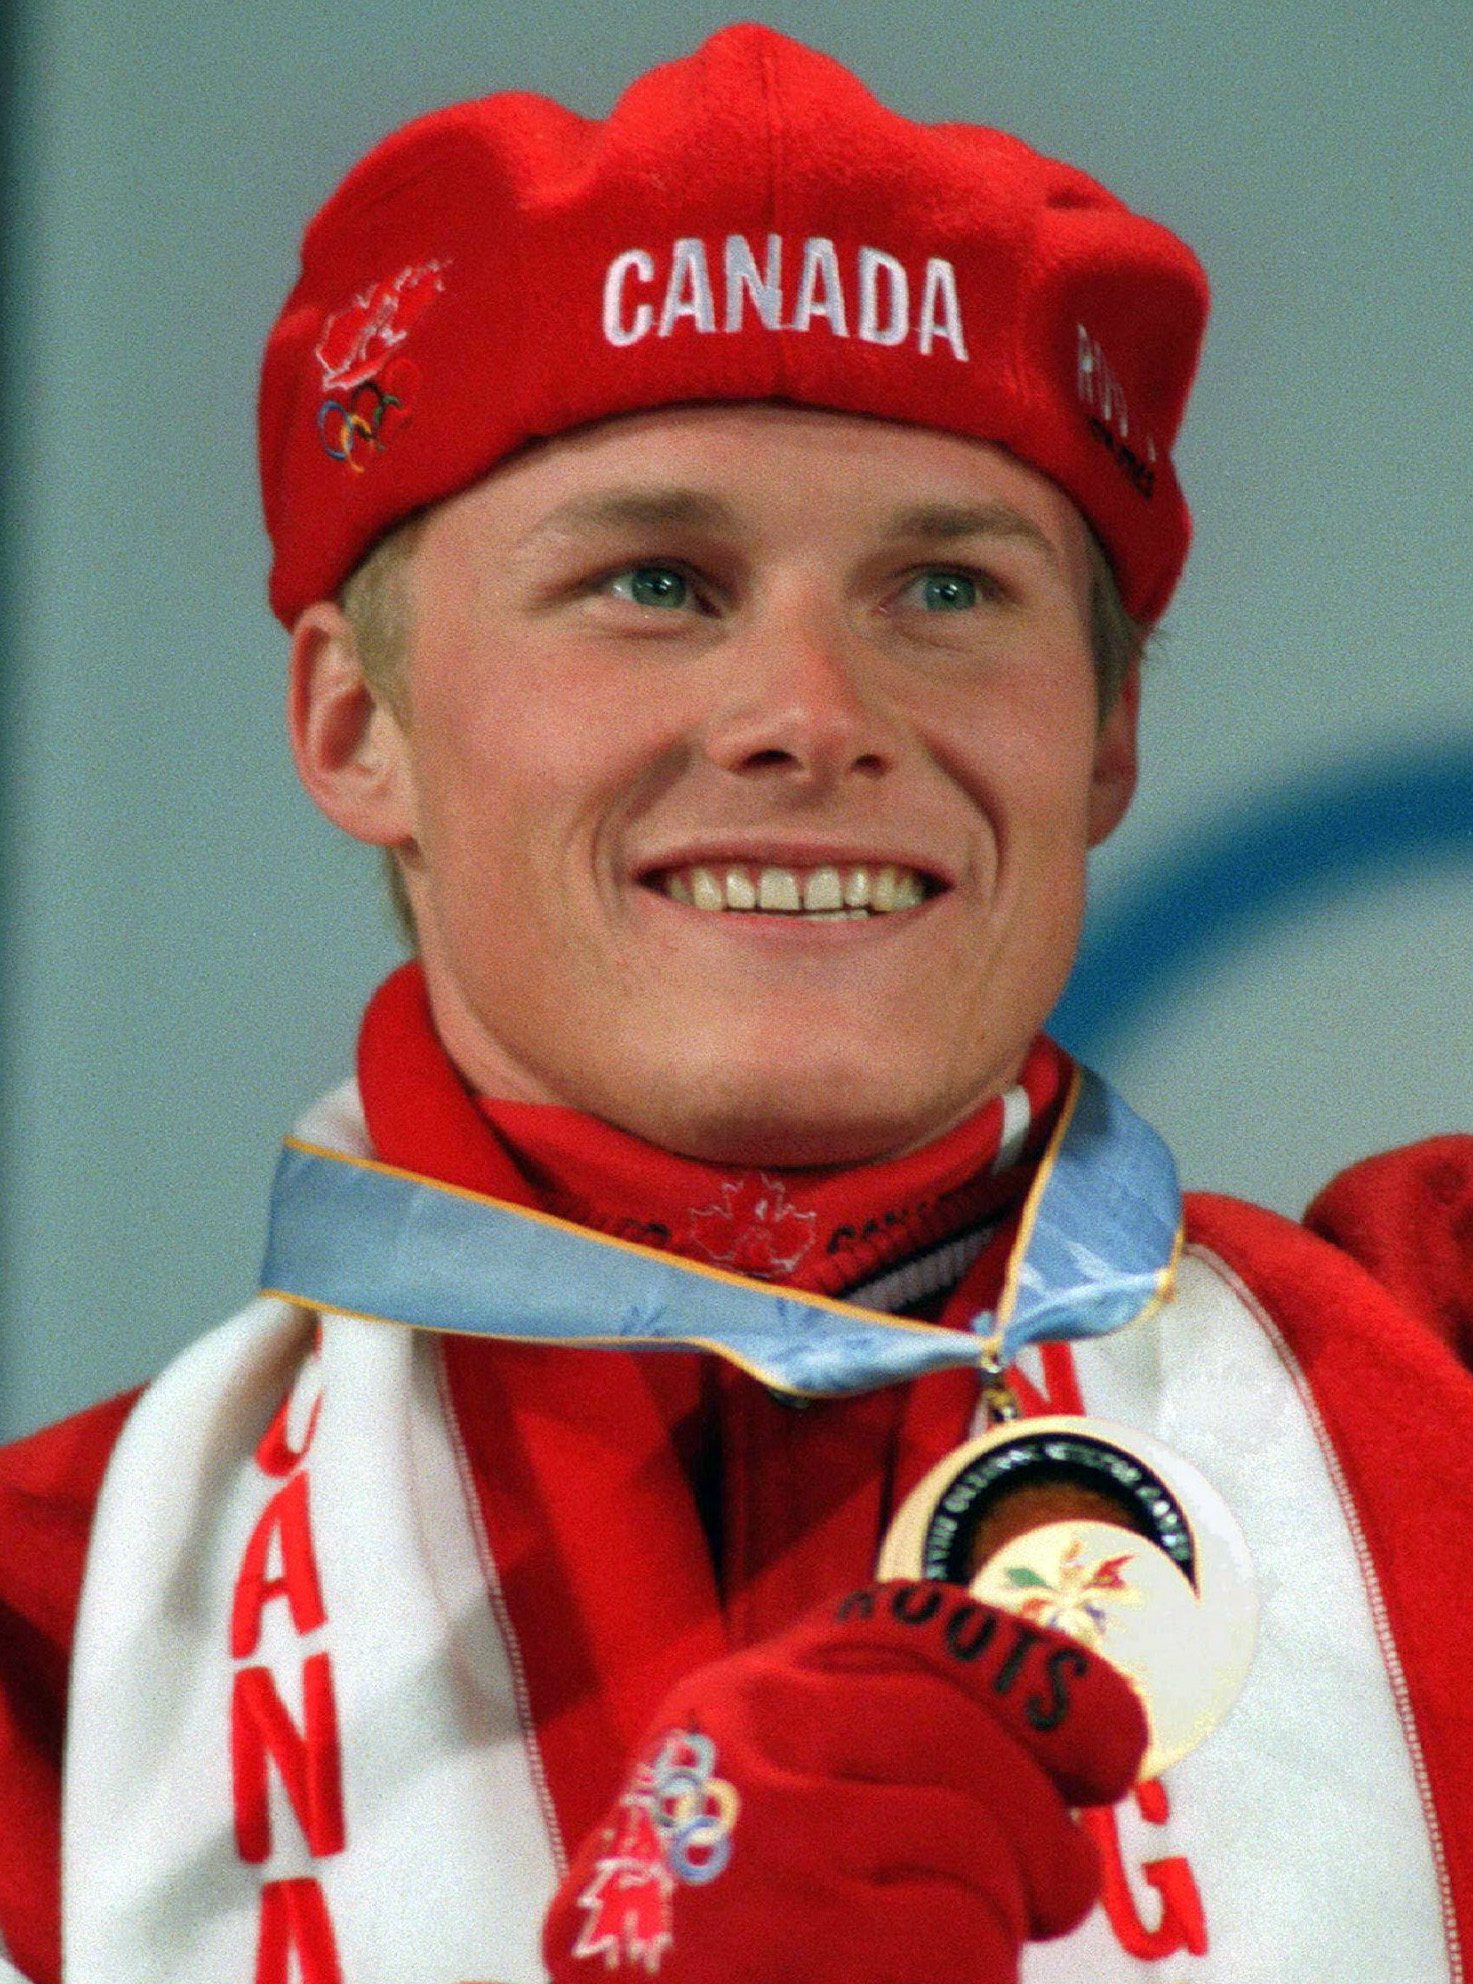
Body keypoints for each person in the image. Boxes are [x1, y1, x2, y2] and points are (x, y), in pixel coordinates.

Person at [1, 23, 1471, 1984]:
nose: (813, 716)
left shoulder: (1434, 1380)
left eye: (943, 590)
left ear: (1106, 732)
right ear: (361, 726)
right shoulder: (42, 1656)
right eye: (655, 581)